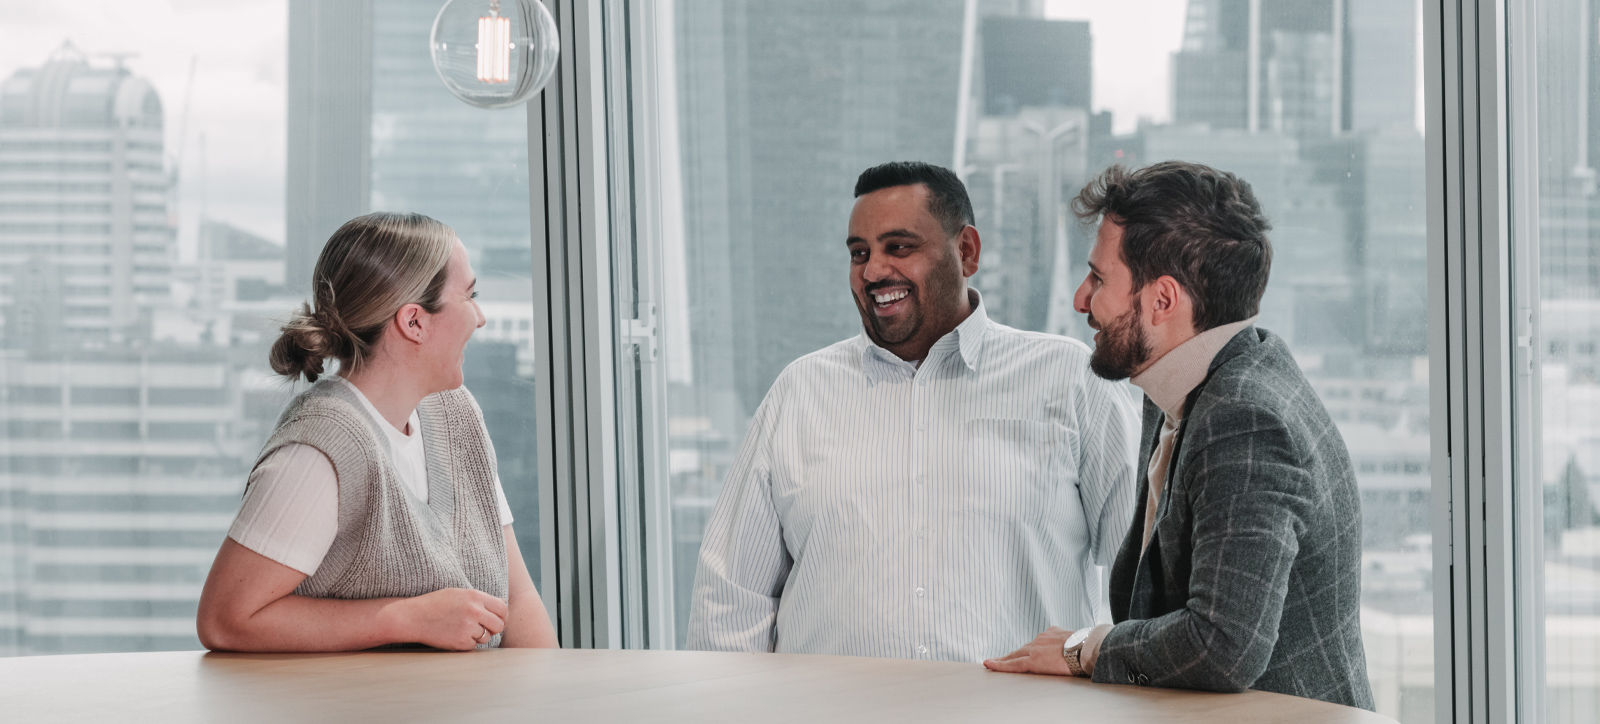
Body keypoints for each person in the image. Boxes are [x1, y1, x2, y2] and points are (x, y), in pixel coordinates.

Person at [686, 162, 1137, 662]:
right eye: (860, 253)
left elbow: (1143, 583)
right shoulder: (798, 394)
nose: (874, 271)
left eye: (899, 247)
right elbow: (730, 601)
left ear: (966, 251)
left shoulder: (1073, 381)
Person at [983, 162, 1374, 710]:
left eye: (1099, 278)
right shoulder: (1188, 385)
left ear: (1162, 301)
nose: (1079, 299)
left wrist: (1083, 649)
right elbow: (1146, 600)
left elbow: (1222, 646)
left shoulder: (1244, 419)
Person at [196, 212, 557, 652]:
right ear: (414, 322)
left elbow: (516, 599)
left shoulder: (456, 415)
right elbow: (225, 619)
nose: (479, 318)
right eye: (470, 296)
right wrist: (406, 618)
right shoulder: (319, 450)